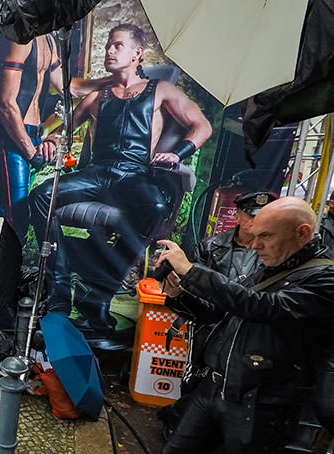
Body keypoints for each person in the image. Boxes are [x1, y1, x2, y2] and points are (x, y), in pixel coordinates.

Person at [101, 197, 334, 454]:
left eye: (265, 236)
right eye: (254, 235)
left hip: (262, 402)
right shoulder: (271, 264)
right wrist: (178, 293)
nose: (255, 244)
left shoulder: (324, 279)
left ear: (302, 233)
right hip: (215, 386)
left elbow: (263, 308)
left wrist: (192, 271)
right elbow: (222, 313)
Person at [27, 24, 212, 348]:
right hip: (97, 173)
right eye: (108, 46)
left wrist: (177, 153)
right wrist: (53, 141)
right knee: (41, 196)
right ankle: (61, 279)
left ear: (137, 53)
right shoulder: (97, 96)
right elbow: (63, 129)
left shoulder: (161, 90)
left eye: (117, 45)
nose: (109, 51)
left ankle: (97, 296)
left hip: (135, 174)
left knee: (156, 207)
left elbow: (202, 126)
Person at [158, 191, 278, 438]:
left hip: (249, 332)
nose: (255, 223)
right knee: (196, 380)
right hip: (210, 328)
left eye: (262, 217)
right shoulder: (212, 247)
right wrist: (177, 294)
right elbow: (197, 298)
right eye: (251, 216)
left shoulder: (275, 252)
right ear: (238, 215)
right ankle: (179, 426)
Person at [0, 32, 110, 245]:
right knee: (16, 217)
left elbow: (70, 88)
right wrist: (30, 151)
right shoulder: (19, 39)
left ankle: (1, 262)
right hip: (12, 138)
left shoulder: (48, 41)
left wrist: (113, 79)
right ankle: (5, 266)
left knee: (12, 212)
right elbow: (5, 105)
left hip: (34, 134)